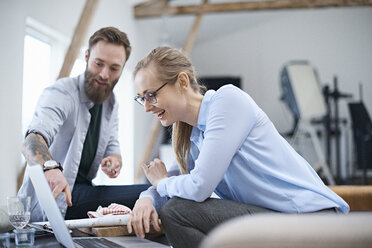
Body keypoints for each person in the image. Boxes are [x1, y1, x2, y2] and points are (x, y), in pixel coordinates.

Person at [127, 46, 350, 248]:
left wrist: (161, 183)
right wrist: (146, 198)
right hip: (275, 218)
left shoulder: (227, 101)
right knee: (171, 211)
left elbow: (198, 186)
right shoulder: (191, 135)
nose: (147, 107)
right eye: (141, 99)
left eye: (151, 95)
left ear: (183, 82)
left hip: (309, 219)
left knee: (176, 212)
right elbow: (174, 179)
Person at [18, 27, 149, 222]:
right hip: (56, 201)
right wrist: (50, 168)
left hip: (84, 191)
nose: (104, 74)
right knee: (151, 192)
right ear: (87, 56)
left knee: (151, 197)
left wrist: (114, 159)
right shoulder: (60, 93)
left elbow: (112, 145)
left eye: (114, 68)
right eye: (99, 64)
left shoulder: (110, 102)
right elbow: (31, 141)